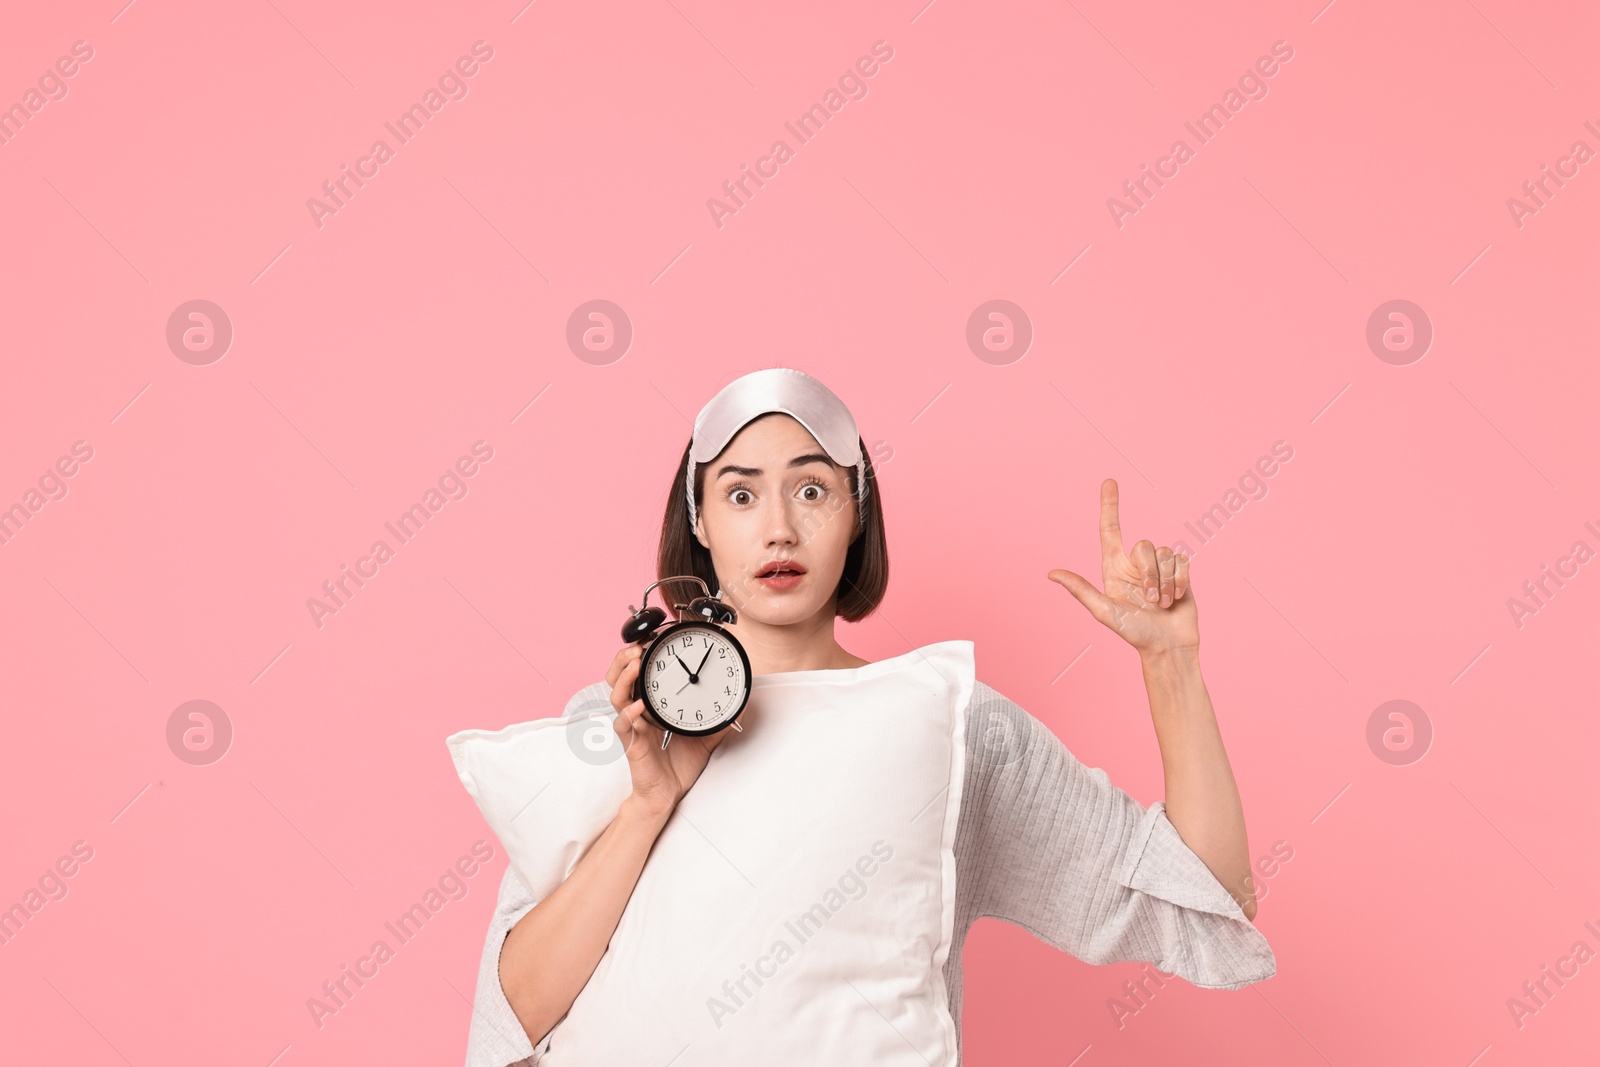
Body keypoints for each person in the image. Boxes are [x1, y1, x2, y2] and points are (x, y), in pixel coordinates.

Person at [463, 367, 1274, 1065]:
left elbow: (1206, 896)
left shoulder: (947, 727)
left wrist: (1171, 663)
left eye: (811, 489)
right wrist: (650, 800)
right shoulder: (624, 722)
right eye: (741, 492)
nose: (779, 526)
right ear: (701, 524)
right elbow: (517, 1015)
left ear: (855, 513)